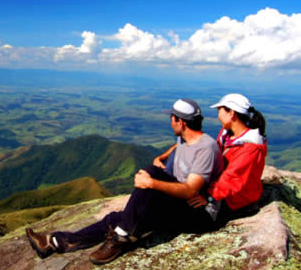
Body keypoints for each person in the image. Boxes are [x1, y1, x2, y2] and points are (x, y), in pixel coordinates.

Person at [26, 98, 223, 265]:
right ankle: (55, 242)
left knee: (148, 179)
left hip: (197, 214)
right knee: (117, 216)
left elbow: (190, 191)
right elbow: (179, 146)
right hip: (177, 203)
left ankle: (120, 237)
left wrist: (151, 184)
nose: (170, 122)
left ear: (181, 122)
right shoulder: (187, 138)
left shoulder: (206, 148)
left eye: (172, 119)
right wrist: (161, 158)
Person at [187, 93, 267, 222]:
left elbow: (233, 177)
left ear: (232, 113)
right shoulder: (226, 134)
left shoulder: (250, 147)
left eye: (220, 111)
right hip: (221, 191)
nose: (218, 116)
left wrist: (209, 197)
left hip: (235, 200)